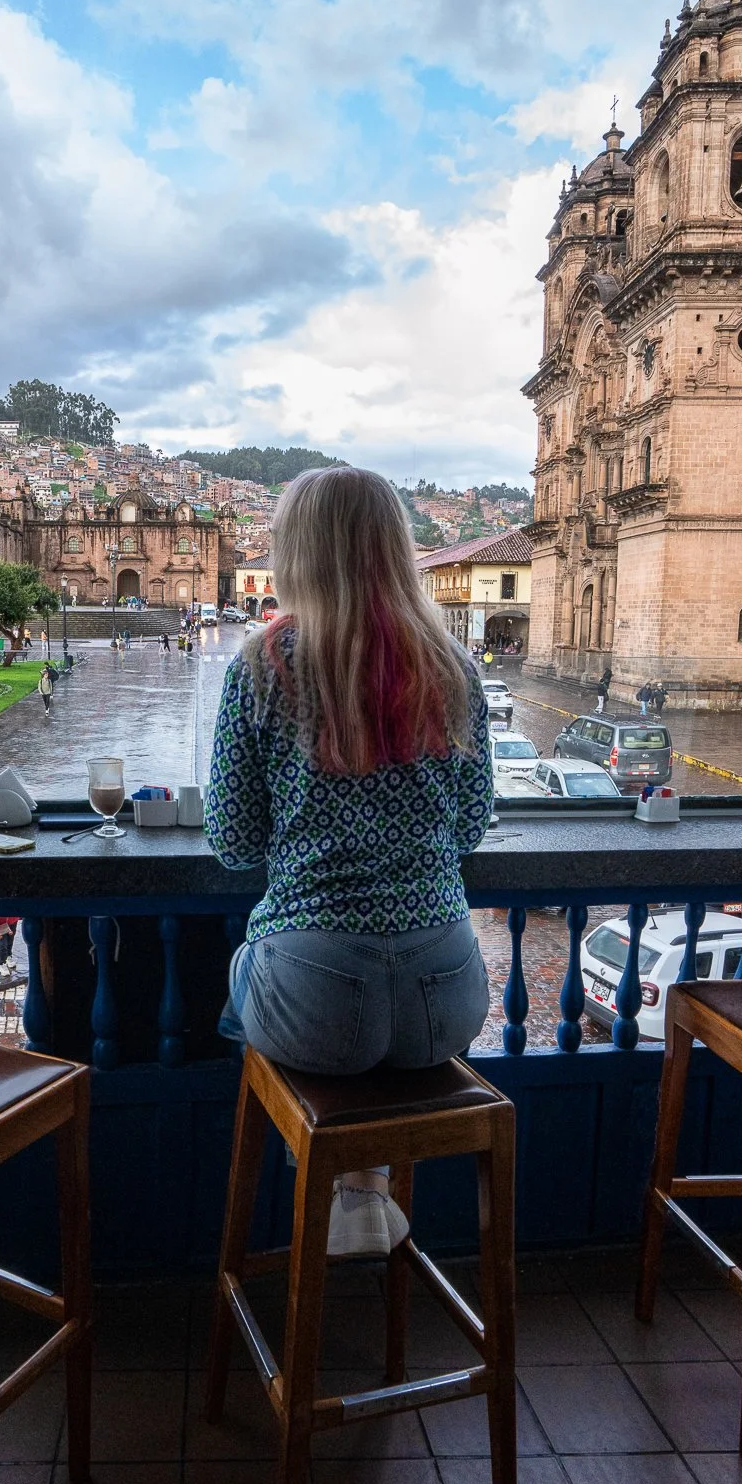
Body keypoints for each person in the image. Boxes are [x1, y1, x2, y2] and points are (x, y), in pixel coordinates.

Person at [206, 466, 492, 1260]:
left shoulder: (264, 668)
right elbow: (469, 830)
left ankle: (345, 1181)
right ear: (395, 549)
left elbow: (232, 842)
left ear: (299, 554)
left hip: (316, 990)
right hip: (447, 997)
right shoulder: (456, 670)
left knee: (247, 969)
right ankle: (362, 1185)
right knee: (365, 1012)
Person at [0, 915, 19, 981]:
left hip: (12, 919)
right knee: (2, 944)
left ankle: (8, 956)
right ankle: (1, 964)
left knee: (10, 941)